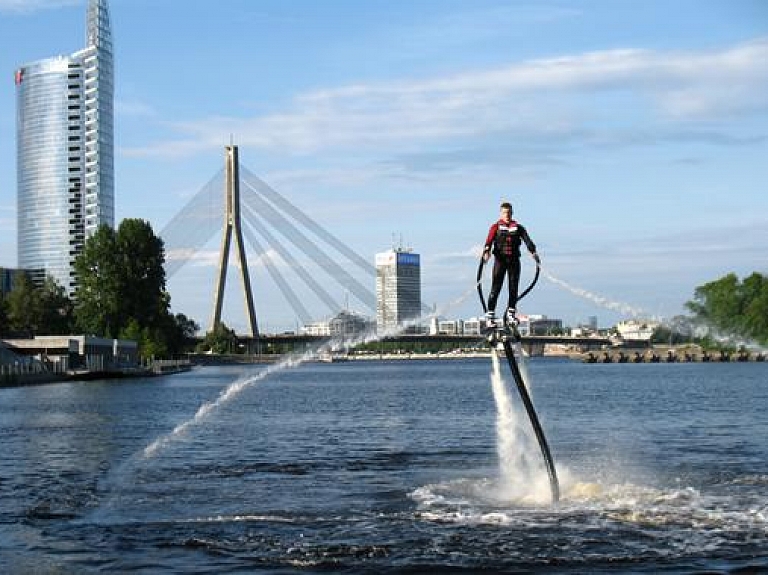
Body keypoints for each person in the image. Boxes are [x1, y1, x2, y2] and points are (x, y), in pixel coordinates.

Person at [482, 201, 540, 326]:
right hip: (500, 261)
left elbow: (527, 241)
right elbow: (489, 241)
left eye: (508, 212)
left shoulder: (519, 228)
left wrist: (533, 252)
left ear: (512, 213)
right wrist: (486, 252)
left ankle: (511, 314)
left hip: (514, 261)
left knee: (513, 288)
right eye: (504, 212)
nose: (507, 215)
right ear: (501, 214)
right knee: (495, 288)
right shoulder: (495, 227)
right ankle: (490, 316)